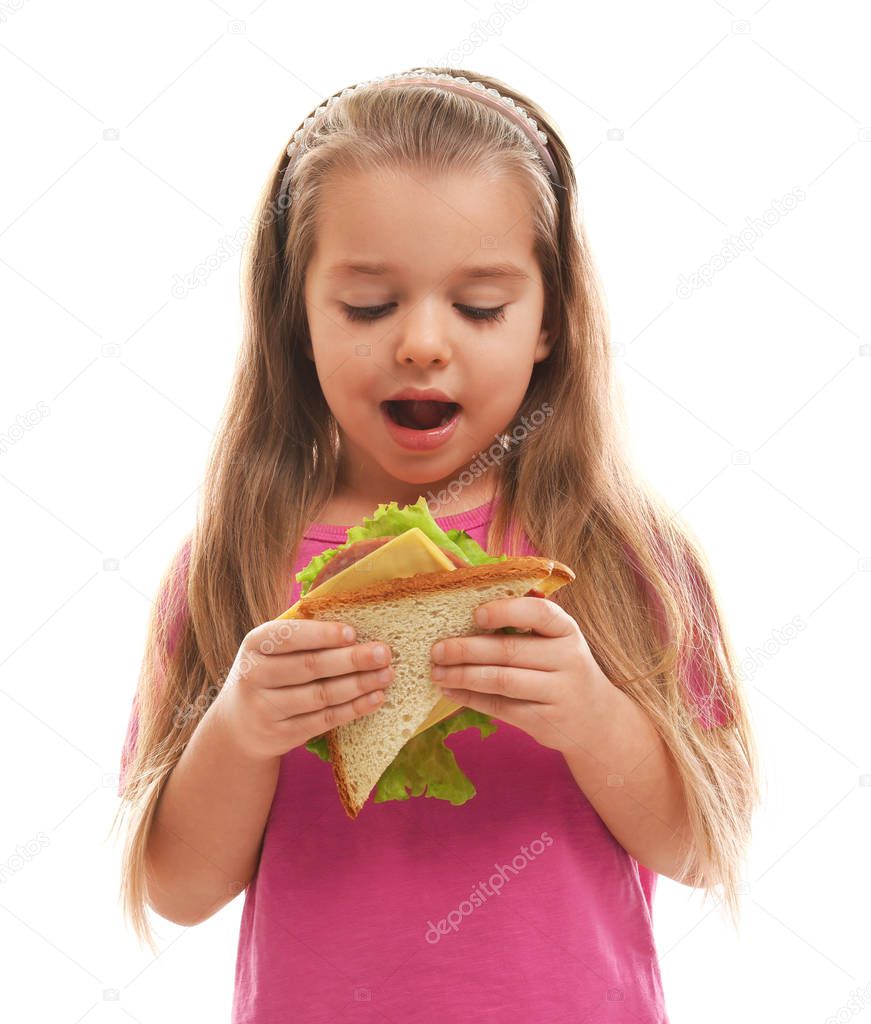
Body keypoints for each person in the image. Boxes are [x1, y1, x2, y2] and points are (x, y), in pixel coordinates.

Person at [109, 66, 760, 1022]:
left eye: (481, 306)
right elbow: (178, 888)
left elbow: (706, 845)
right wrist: (241, 729)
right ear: (296, 317)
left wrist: (588, 715)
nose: (420, 343)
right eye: (369, 306)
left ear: (550, 322)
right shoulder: (231, 561)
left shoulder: (622, 554)